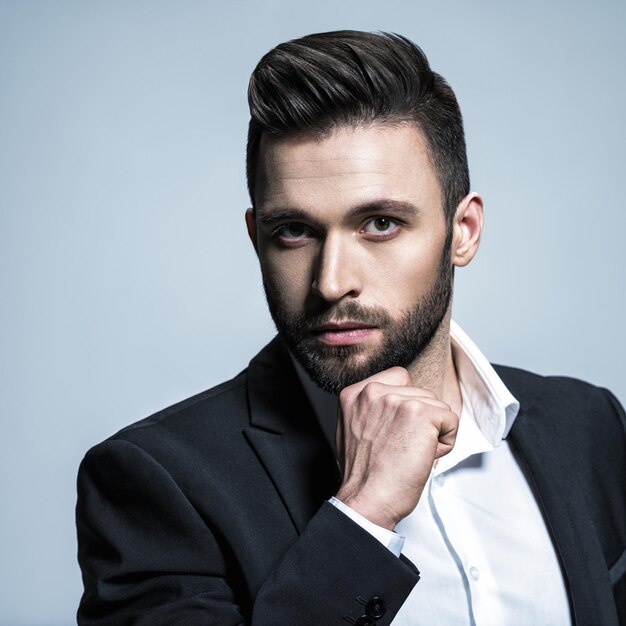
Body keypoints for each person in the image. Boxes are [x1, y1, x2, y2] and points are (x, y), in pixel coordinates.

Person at [76, 31, 626, 625]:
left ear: (462, 231)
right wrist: (363, 515)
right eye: (293, 231)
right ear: (256, 238)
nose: (331, 282)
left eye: (381, 223)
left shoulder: (590, 428)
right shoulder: (156, 483)